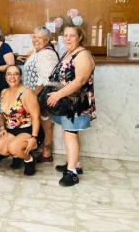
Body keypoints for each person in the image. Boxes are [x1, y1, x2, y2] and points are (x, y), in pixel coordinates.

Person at [47, 25, 96, 187]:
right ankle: (75, 163)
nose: (68, 39)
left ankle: (72, 172)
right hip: (66, 103)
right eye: (65, 36)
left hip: (76, 103)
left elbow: (80, 81)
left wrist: (57, 94)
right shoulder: (68, 53)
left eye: (72, 36)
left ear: (79, 37)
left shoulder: (83, 54)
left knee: (70, 134)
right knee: (70, 133)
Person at [0, 65, 40, 176]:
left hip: (27, 130)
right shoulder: (3, 92)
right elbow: (0, 113)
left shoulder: (26, 93)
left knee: (13, 147)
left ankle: (29, 159)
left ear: (20, 76)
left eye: (16, 74)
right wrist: (1, 127)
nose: (12, 77)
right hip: (10, 130)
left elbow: (36, 117)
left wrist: (34, 137)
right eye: (9, 74)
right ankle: (17, 155)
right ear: (5, 76)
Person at [22, 26, 59, 163]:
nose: (35, 39)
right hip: (32, 95)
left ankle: (47, 154)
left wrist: (33, 96)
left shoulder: (47, 54)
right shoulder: (39, 51)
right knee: (41, 123)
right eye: (34, 36)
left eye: (39, 37)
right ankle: (38, 151)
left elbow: (44, 79)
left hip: (40, 95)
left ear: (47, 39)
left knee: (46, 123)